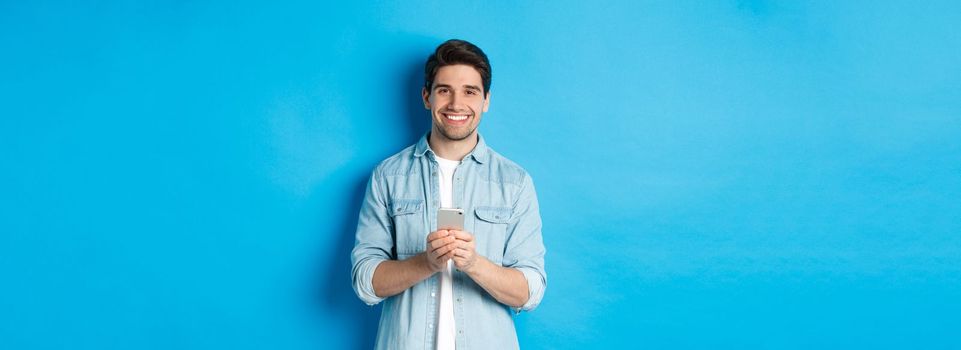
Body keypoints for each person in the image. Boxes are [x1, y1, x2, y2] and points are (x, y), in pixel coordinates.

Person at [350, 39, 547, 349]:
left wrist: (473, 264)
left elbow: (530, 291)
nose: (457, 104)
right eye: (444, 90)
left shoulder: (515, 182)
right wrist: (426, 262)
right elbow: (365, 281)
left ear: (486, 100)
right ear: (427, 97)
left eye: (470, 91)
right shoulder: (387, 177)